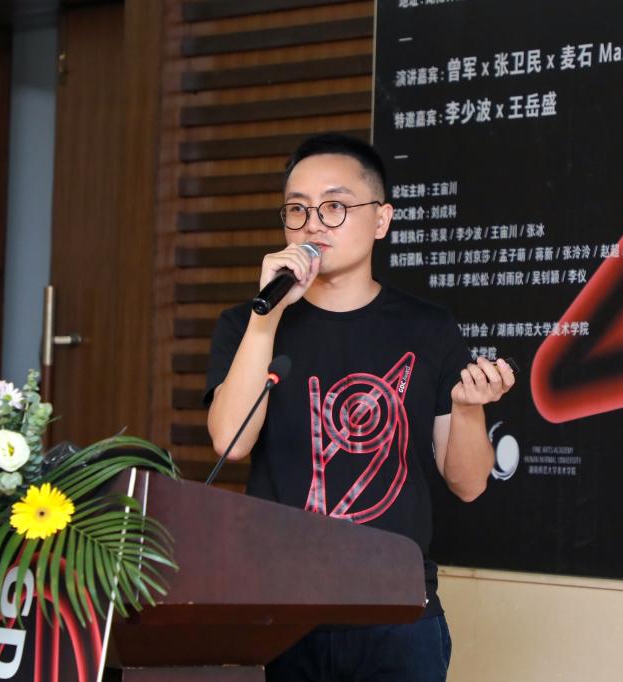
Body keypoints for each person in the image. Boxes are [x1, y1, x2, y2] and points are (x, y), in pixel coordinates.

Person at [204, 133, 515, 681]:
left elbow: (469, 485)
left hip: (396, 610)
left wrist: (468, 409)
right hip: (280, 607)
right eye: (297, 209)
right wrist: (266, 318)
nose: (313, 224)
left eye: (334, 206)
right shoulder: (247, 323)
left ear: (381, 220)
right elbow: (231, 442)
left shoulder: (428, 327)